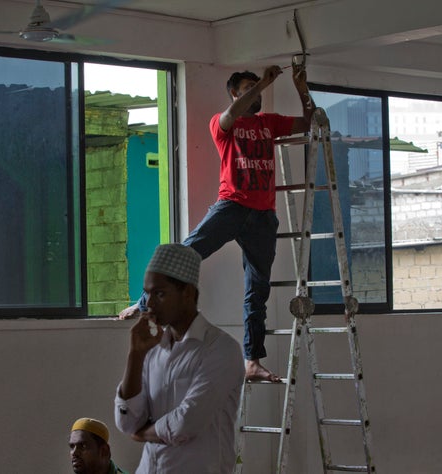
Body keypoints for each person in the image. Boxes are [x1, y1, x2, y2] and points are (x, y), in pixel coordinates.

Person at [120, 62, 315, 382]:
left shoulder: (270, 122)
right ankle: (144, 304)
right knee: (184, 253)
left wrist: (300, 86)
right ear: (234, 96)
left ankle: (252, 361)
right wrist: (263, 82)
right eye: (248, 89)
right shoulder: (223, 123)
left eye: (258, 89)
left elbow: (309, 121)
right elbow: (232, 112)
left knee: (258, 289)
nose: (257, 94)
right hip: (232, 207)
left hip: (263, 217)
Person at [114, 243, 245, 474]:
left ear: (187, 293)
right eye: (147, 293)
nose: (150, 304)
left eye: (160, 293)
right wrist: (135, 355)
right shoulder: (152, 350)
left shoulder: (221, 349)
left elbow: (186, 422)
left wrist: (144, 434)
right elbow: (127, 423)